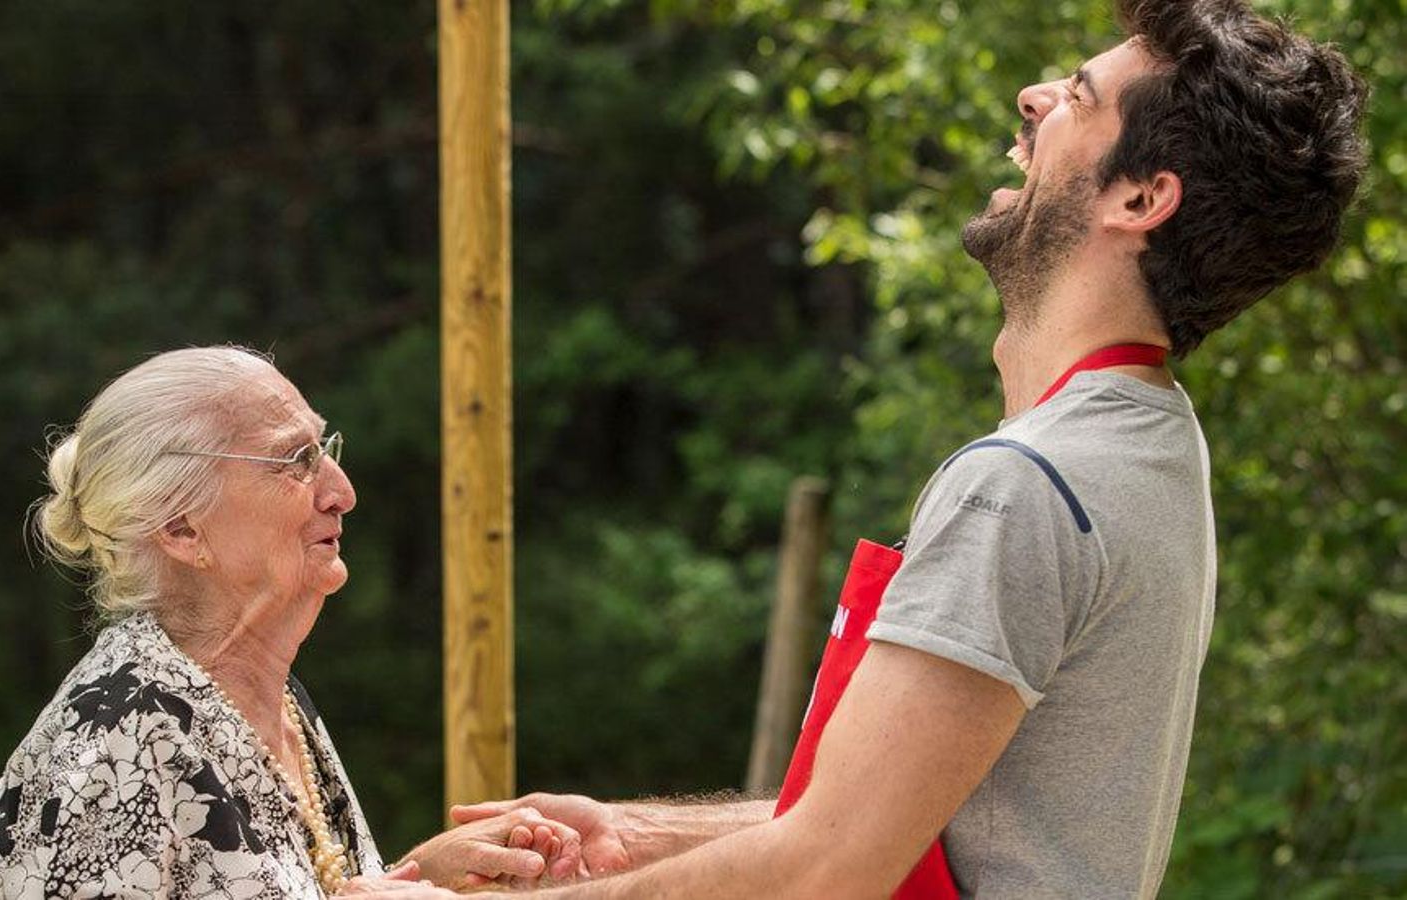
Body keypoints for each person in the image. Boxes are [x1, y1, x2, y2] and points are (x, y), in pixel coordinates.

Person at [392, 0, 1370, 897]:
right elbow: (900, 817)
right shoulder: (1154, 446)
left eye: (1077, 97)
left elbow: (824, 870)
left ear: (1141, 199)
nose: (1034, 98)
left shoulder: (1027, 487)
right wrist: (631, 834)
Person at [0, 346, 579, 898]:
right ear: (181, 529)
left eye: (324, 451)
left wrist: (425, 874)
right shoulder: (114, 739)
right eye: (295, 460)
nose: (341, 491)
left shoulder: (264, 699)